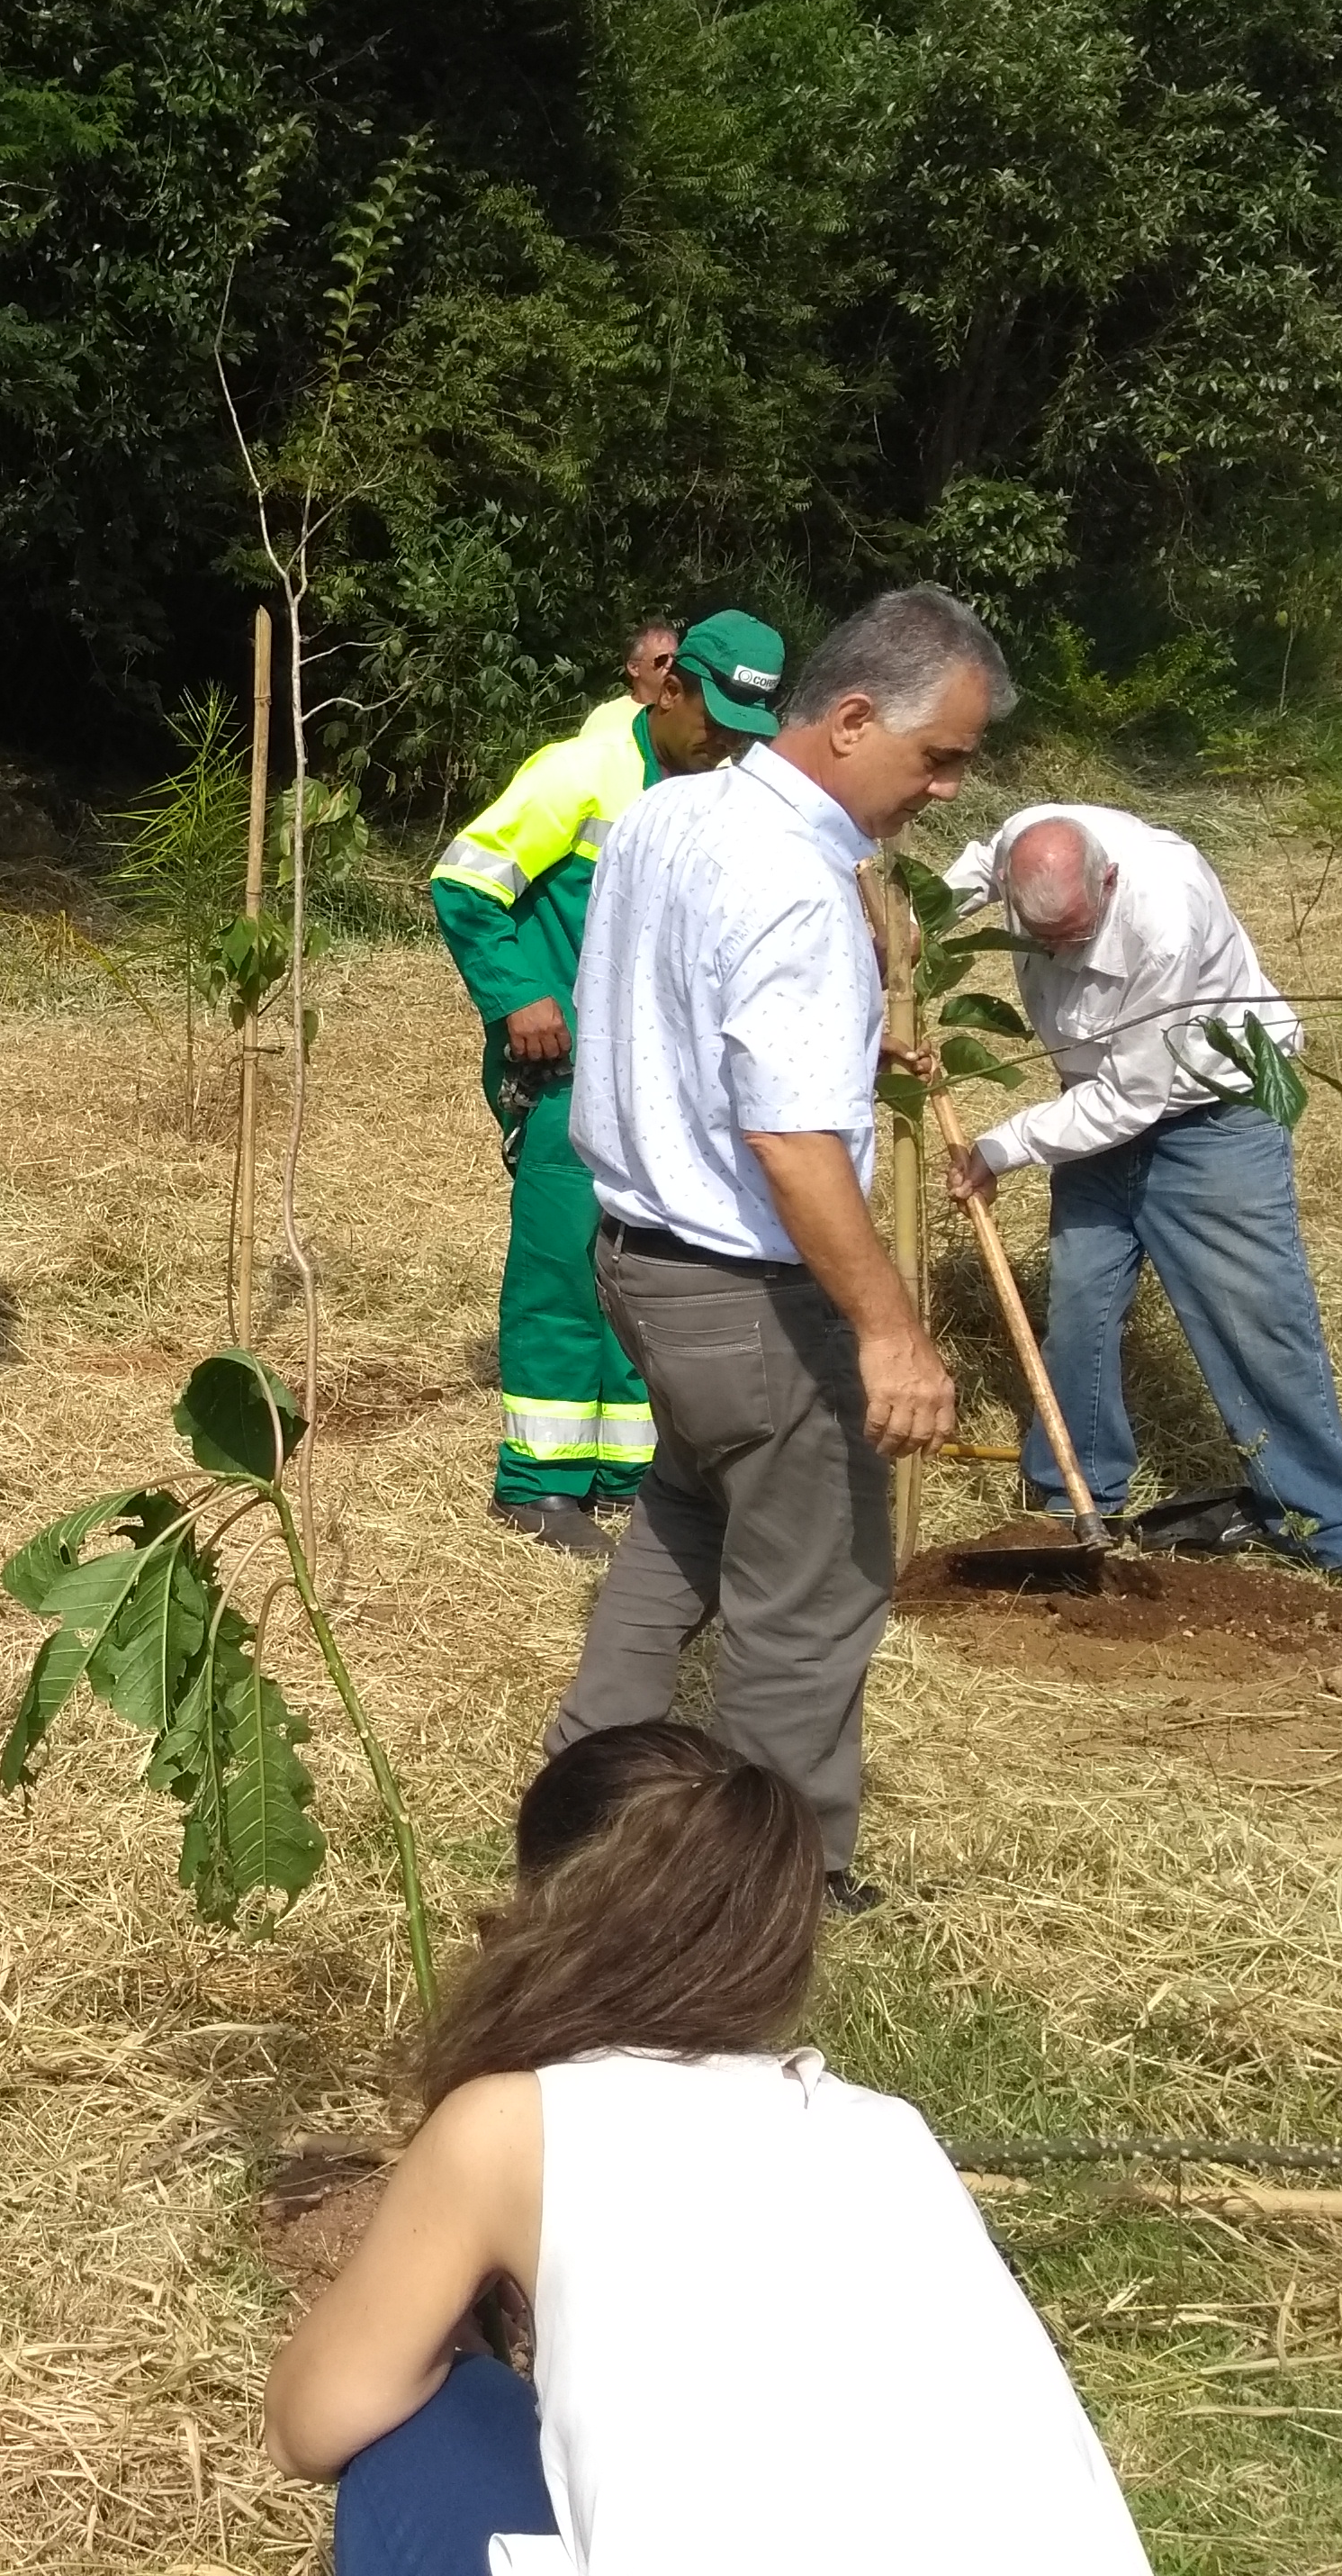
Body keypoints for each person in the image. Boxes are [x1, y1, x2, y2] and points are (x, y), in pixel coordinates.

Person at [262, 1722, 1150, 2576]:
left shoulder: (508, 2127)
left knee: (429, 2424)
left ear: (538, 1917)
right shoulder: (890, 2132)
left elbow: (308, 2425)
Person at [553, 586, 1005, 1908]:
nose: (948, 791)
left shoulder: (668, 815)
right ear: (853, 719)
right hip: (751, 1294)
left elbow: (682, 1003)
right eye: (938, 758)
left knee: (682, 1530)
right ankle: (779, 1891)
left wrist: (845, 1037)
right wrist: (889, 1331)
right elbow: (793, 1145)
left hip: (641, 1263)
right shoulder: (802, 889)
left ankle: (579, 1814)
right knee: (808, 1605)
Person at [939, 806, 1342, 1605]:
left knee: (1254, 1317)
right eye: (1039, 935)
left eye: (1074, 935)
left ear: (1108, 881)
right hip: (1086, 1104)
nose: (1055, 952)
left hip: (1210, 1116)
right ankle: (1074, 1503)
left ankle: (1328, 1528)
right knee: (1082, 1302)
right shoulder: (1025, 842)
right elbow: (963, 879)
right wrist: (898, 928)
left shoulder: (1166, 916)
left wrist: (998, 1148)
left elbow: (1132, 1097)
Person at [430, 612, 777, 1554]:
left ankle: (626, 1470)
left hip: (662, 1085)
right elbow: (461, 884)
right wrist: (518, 997)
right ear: (666, 688)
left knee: (645, 1271)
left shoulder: (729, 789)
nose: (727, 737)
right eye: (714, 712)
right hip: (566, 1074)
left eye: (749, 721)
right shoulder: (580, 774)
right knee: (561, 1266)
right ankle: (536, 1485)